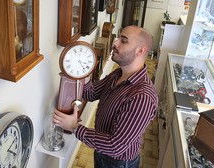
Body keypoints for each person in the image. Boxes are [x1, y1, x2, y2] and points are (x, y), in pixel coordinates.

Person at [53, 25, 158, 168]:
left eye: (124, 40)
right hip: (101, 151)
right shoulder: (118, 74)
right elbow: (91, 93)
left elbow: (115, 146)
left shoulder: (142, 97)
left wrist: (74, 127)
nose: (115, 43)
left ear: (141, 50)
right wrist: (84, 68)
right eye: (118, 38)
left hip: (118, 163)